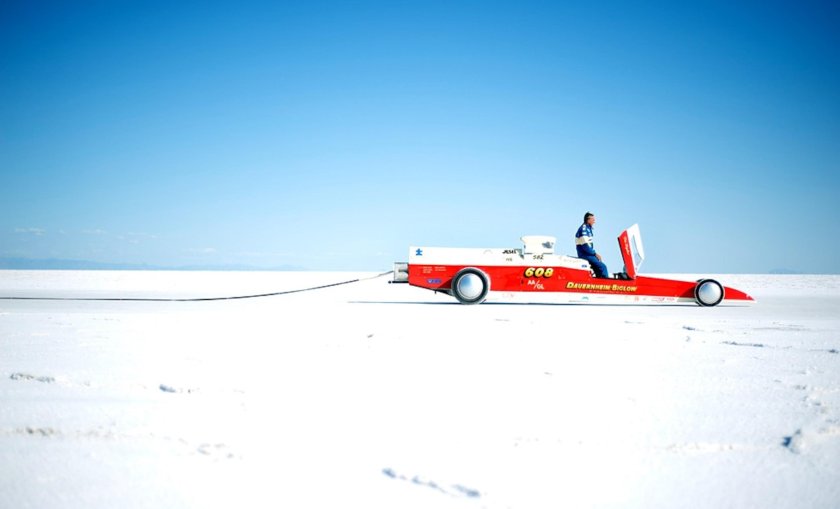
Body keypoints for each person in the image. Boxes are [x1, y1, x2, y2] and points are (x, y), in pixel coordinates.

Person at [575, 212, 610, 278]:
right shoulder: (584, 229)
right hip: (585, 254)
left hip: (588, 254)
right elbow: (585, 246)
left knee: (598, 268)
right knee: (603, 267)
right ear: (588, 220)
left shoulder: (588, 228)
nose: (594, 221)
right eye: (593, 219)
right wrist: (595, 254)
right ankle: (606, 285)